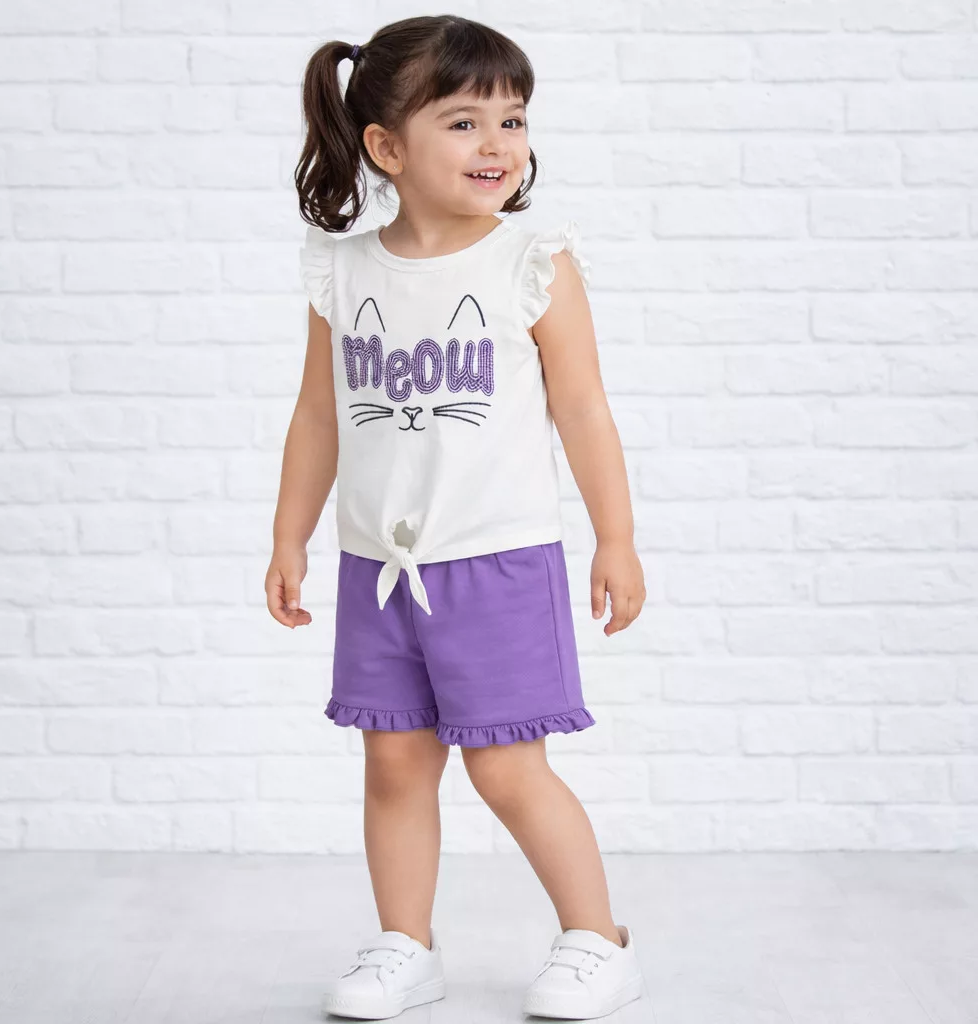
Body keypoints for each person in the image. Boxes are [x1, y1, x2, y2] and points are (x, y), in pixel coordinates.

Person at [265, 14, 647, 1021]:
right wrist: (288, 535)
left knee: (507, 768)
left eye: (512, 120)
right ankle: (406, 942)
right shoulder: (344, 270)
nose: (497, 144)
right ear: (386, 147)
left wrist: (615, 538)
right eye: (465, 121)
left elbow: (583, 409)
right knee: (393, 762)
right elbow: (318, 414)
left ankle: (596, 938)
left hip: (499, 562)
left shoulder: (531, 261)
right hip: (378, 565)